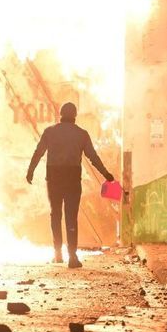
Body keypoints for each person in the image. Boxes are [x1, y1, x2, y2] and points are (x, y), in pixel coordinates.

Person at [26, 102, 114, 268]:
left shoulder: (49, 132)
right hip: (73, 178)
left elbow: (38, 152)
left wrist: (30, 170)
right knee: (71, 216)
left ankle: (57, 254)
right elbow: (93, 157)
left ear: (60, 114)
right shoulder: (81, 134)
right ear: (75, 115)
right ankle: (72, 256)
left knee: (56, 214)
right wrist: (106, 174)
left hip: (54, 177)